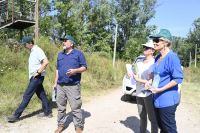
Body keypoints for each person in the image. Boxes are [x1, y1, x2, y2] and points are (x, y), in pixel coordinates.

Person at [6, 36, 52, 122]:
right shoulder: (32, 51)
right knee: (41, 95)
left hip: (37, 77)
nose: (24, 46)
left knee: (27, 95)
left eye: (25, 44)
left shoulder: (38, 50)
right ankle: (48, 112)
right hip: (35, 77)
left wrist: (38, 72)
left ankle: (16, 115)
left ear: (30, 43)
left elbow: (46, 62)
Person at [146, 29, 184, 133]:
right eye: (154, 40)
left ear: (166, 42)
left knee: (169, 129)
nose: (154, 42)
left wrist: (161, 89)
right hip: (156, 99)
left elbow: (178, 78)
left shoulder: (172, 57)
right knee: (162, 128)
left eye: (157, 40)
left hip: (167, 100)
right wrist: (150, 81)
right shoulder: (158, 57)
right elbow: (158, 74)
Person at [53, 35, 87, 133]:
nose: (63, 42)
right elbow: (57, 69)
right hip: (60, 85)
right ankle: (60, 125)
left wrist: (75, 70)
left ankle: (78, 127)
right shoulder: (60, 55)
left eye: (65, 41)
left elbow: (84, 67)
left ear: (71, 44)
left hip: (73, 85)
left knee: (75, 107)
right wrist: (55, 83)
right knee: (60, 107)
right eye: (63, 41)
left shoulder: (79, 54)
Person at [128, 40, 158, 133]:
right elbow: (134, 73)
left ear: (153, 51)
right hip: (139, 92)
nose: (144, 49)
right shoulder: (139, 62)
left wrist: (137, 80)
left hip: (148, 94)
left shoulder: (153, 63)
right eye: (144, 47)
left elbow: (151, 81)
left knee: (152, 118)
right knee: (142, 116)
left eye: (147, 47)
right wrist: (130, 73)